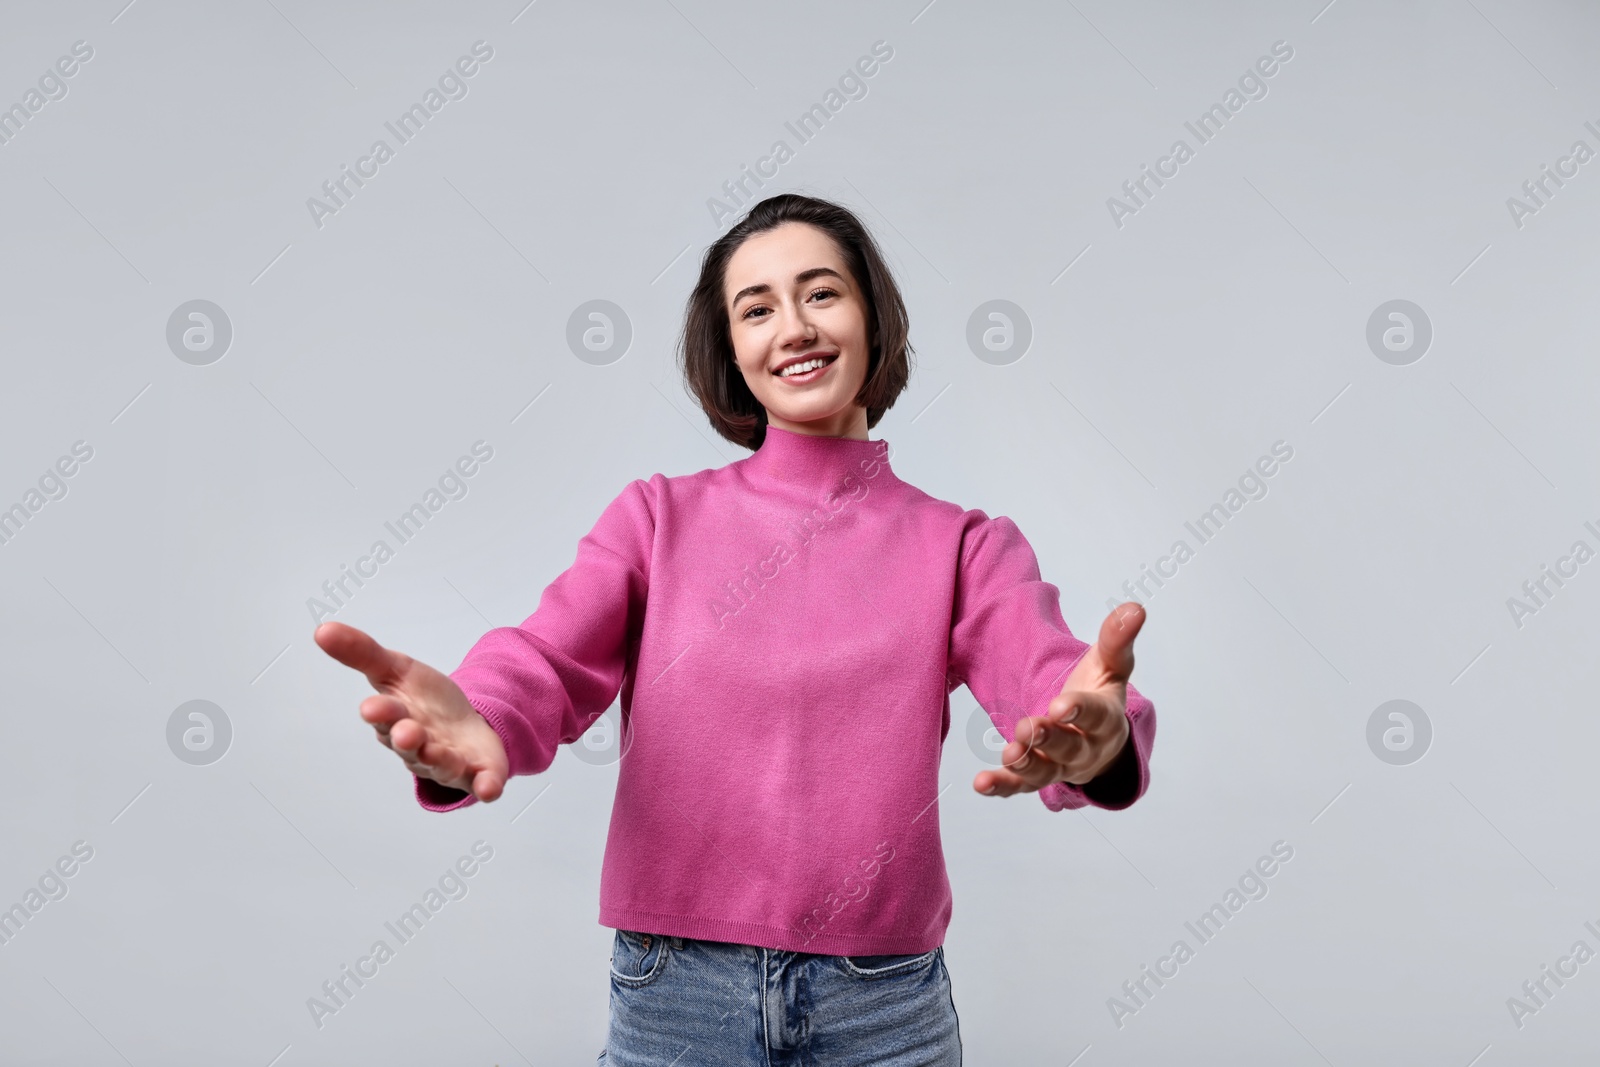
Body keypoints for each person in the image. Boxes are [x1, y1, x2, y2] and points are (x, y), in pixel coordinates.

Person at [314, 193, 1157, 1065]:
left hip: (882, 1003)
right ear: (731, 350)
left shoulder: (964, 544)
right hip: (676, 991)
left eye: (821, 293)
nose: (792, 326)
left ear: (873, 316)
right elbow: (546, 658)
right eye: (757, 308)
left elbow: (1052, 681)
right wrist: (479, 717)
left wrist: (1097, 739)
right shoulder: (657, 518)